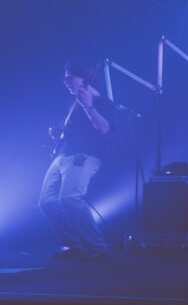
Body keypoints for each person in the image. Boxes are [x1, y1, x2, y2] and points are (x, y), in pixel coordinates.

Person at [40, 63, 114, 261]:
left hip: (84, 156)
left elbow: (104, 128)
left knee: (70, 199)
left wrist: (89, 106)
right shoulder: (72, 104)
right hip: (63, 155)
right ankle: (76, 246)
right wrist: (59, 132)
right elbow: (71, 130)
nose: (66, 82)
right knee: (47, 202)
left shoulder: (103, 102)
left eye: (70, 77)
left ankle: (98, 246)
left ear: (85, 78)